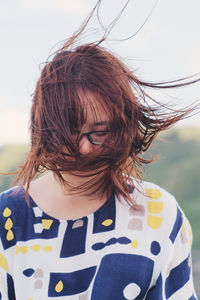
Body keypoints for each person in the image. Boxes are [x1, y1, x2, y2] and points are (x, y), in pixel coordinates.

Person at [0, 2, 198, 299]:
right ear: (43, 128)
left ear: (122, 128)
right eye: (67, 131)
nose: (82, 148)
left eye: (99, 132)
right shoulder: (8, 219)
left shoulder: (159, 214)